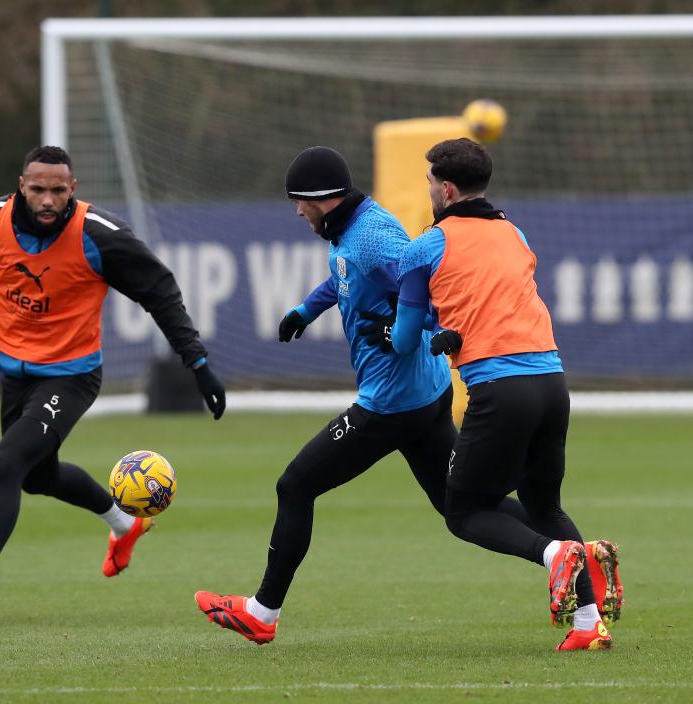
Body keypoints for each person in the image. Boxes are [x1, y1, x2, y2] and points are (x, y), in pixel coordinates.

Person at [193, 146, 530, 644]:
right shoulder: (354, 227)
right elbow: (346, 275)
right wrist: (307, 310)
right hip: (425, 395)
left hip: (391, 405)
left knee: (295, 485)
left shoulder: (370, 238)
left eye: (299, 202)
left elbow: (427, 286)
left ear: (321, 200)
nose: (296, 211)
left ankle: (262, 612)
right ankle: (571, 555)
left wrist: (419, 324)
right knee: (464, 505)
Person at [0, 145, 226, 625]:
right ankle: (125, 524)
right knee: (37, 476)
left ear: (73, 190)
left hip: (71, 375)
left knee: (6, 466)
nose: (47, 200)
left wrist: (198, 363)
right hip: (16, 376)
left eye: (57, 190)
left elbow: (160, 290)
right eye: (38, 189)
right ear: (21, 185)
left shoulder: (98, 235)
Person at [376, 138, 622, 651]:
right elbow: (486, 298)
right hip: (553, 383)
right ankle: (588, 623)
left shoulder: (426, 246)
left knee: (463, 512)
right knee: (542, 501)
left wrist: (421, 329)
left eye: (428, 184)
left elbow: (402, 340)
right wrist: (446, 323)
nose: (427, 192)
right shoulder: (514, 232)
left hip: (501, 391)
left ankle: (554, 556)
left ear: (445, 189)